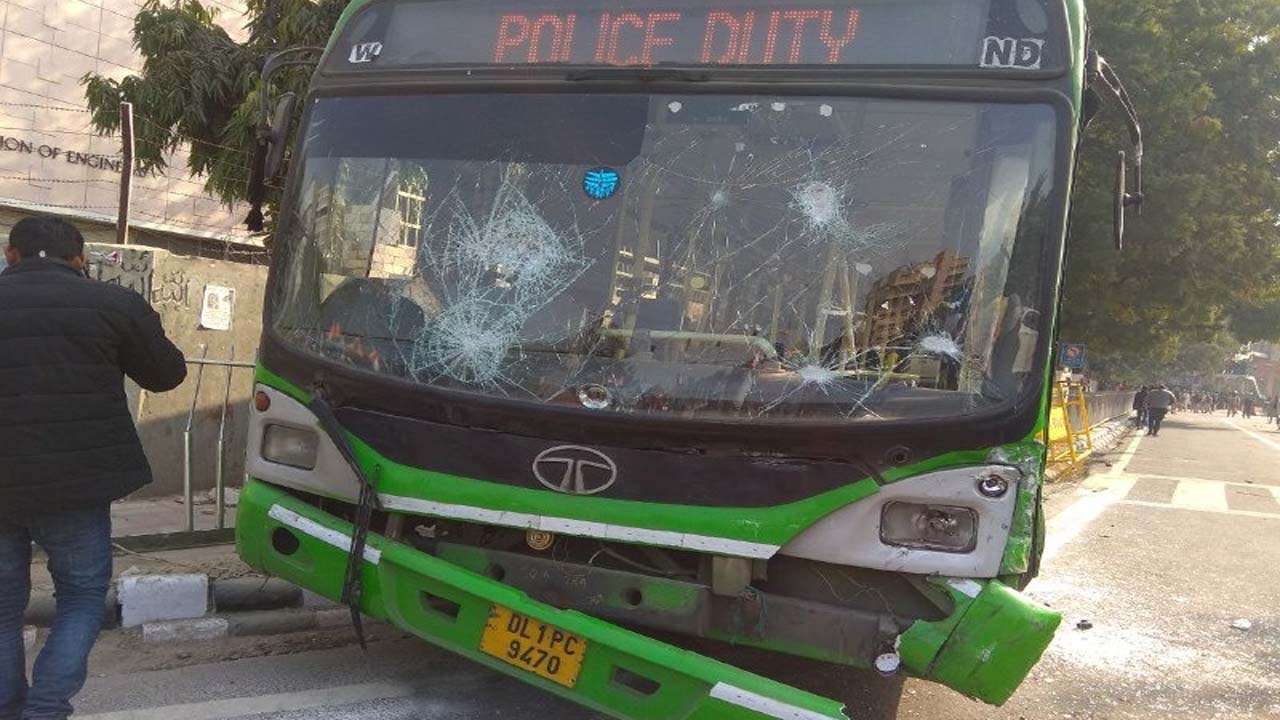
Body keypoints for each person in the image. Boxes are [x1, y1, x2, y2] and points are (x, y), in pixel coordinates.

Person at [0, 217, 187, 720]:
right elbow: (167, 374)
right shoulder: (112, 304)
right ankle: (45, 709)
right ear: (80, 260)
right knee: (81, 598)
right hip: (76, 488)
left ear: (11, 255)